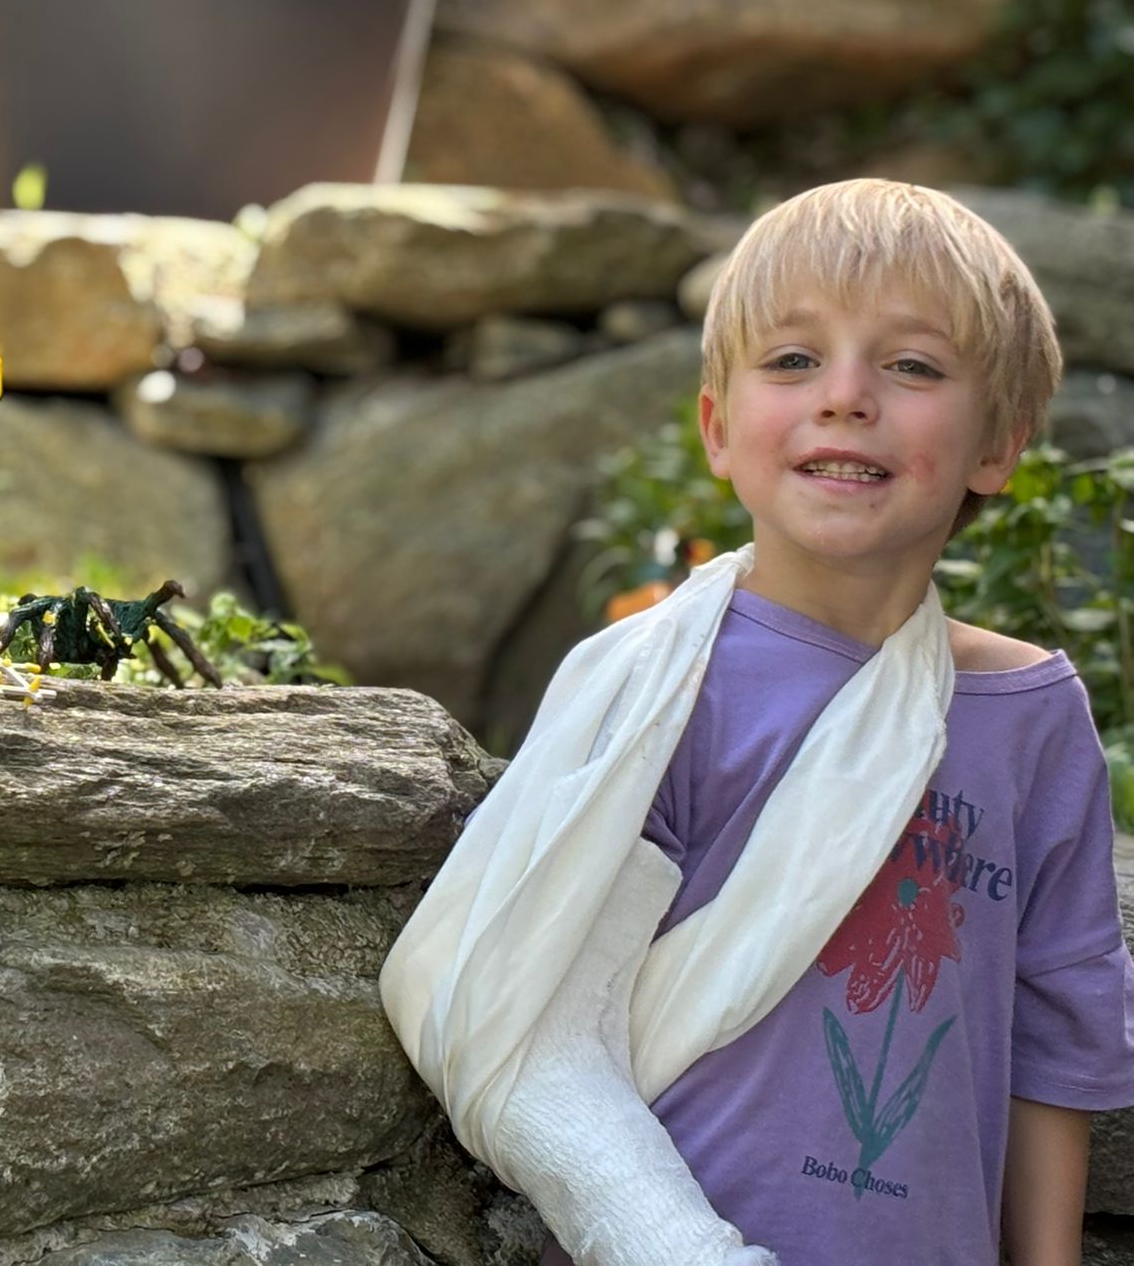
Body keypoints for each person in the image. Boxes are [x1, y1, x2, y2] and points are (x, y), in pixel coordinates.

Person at [391, 179, 1134, 1266]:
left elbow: (1055, 1036)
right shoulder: (660, 685)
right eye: (792, 359)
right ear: (717, 430)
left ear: (997, 447)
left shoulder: (1029, 716)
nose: (846, 396)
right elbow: (532, 1032)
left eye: (912, 366)